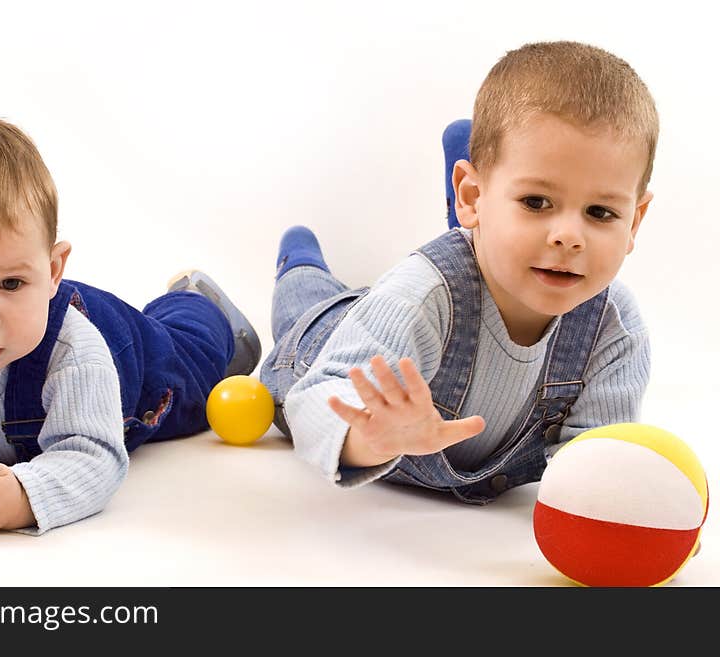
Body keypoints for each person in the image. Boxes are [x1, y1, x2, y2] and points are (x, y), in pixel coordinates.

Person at [259, 41, 656, 502]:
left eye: (601, 212)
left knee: (384, 306)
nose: (569, 237)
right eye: (536, 202)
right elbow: (314, 400)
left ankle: (503, 192)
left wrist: (642, 518)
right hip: (317, 344)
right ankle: (299, 259)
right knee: (308, 300)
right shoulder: (422, 297)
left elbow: (598, 460)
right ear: (469, 197)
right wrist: (371, 437)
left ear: (635, 222)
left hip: (399, 317)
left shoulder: (615, 328)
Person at [0, 114, 261, 539]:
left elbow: (93, 455)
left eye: (11, 283)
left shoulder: (74, 351)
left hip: (134, 359)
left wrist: (22, 498)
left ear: (52, 270)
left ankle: (198, 305)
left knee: (195, 360)